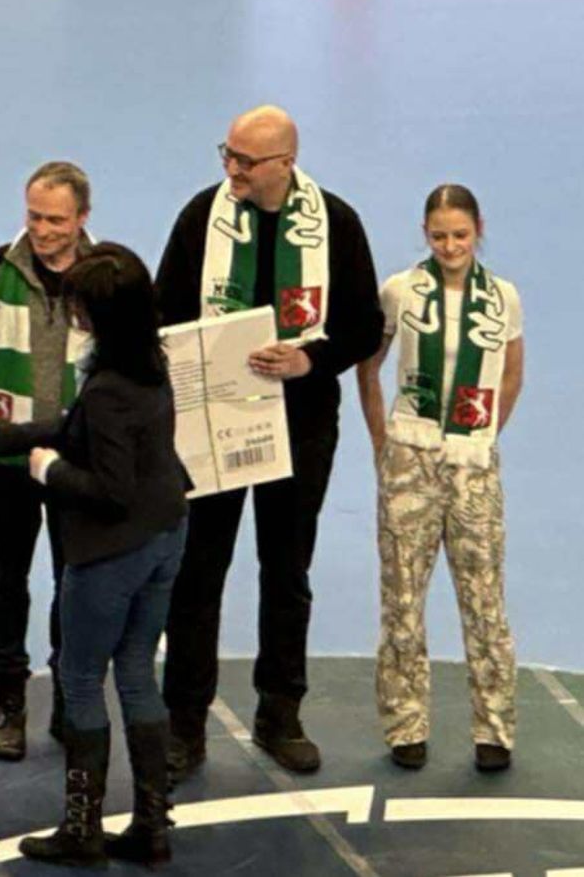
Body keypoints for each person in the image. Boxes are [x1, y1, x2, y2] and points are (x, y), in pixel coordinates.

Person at [155, 105, 383, 778]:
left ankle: (280, 712)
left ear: (285, 162)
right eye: (226, 154)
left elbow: (364, 325)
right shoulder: (203, 217)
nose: (231, 168)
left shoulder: (335, 223)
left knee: (286, 571)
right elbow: (164, 310)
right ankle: (184, 723)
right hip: (214, 423)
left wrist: (311, 359)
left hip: (300, 423)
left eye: (246, 161)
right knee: (198, 572)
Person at [0, 243, 189, 868]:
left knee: (82, 677)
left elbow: (110, 489)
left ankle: (82, 829)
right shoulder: (148, 363)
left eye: (81, 305)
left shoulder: (107, 385)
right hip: (166, 534)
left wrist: (48, 471)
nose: (74, 312)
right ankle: (151, 825)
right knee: (136, 670)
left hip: (114, 551)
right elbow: (75, 425)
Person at [356, 184, 523, 773]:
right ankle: (405, 724)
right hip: (411, 458)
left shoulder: (502, 298)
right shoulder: (400, 291)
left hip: (473, 465)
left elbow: (512, 374)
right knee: (402, 597)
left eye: (460, 235)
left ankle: (494, 728)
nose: (450, 246)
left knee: (485, 600)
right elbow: (368, 366)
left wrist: (484, 435)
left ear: (479, 229)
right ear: (424, 233)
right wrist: (382, 441)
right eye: (439, 236)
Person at [0, 162, 96, 760]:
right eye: (34, 216)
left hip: (75, 463)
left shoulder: (105, 278)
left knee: (75, 581)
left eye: (55, 220)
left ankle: (70, 696)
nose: (41, 230)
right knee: (4, 579)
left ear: (82, 218)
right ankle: (8, 700)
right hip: (5, 458)